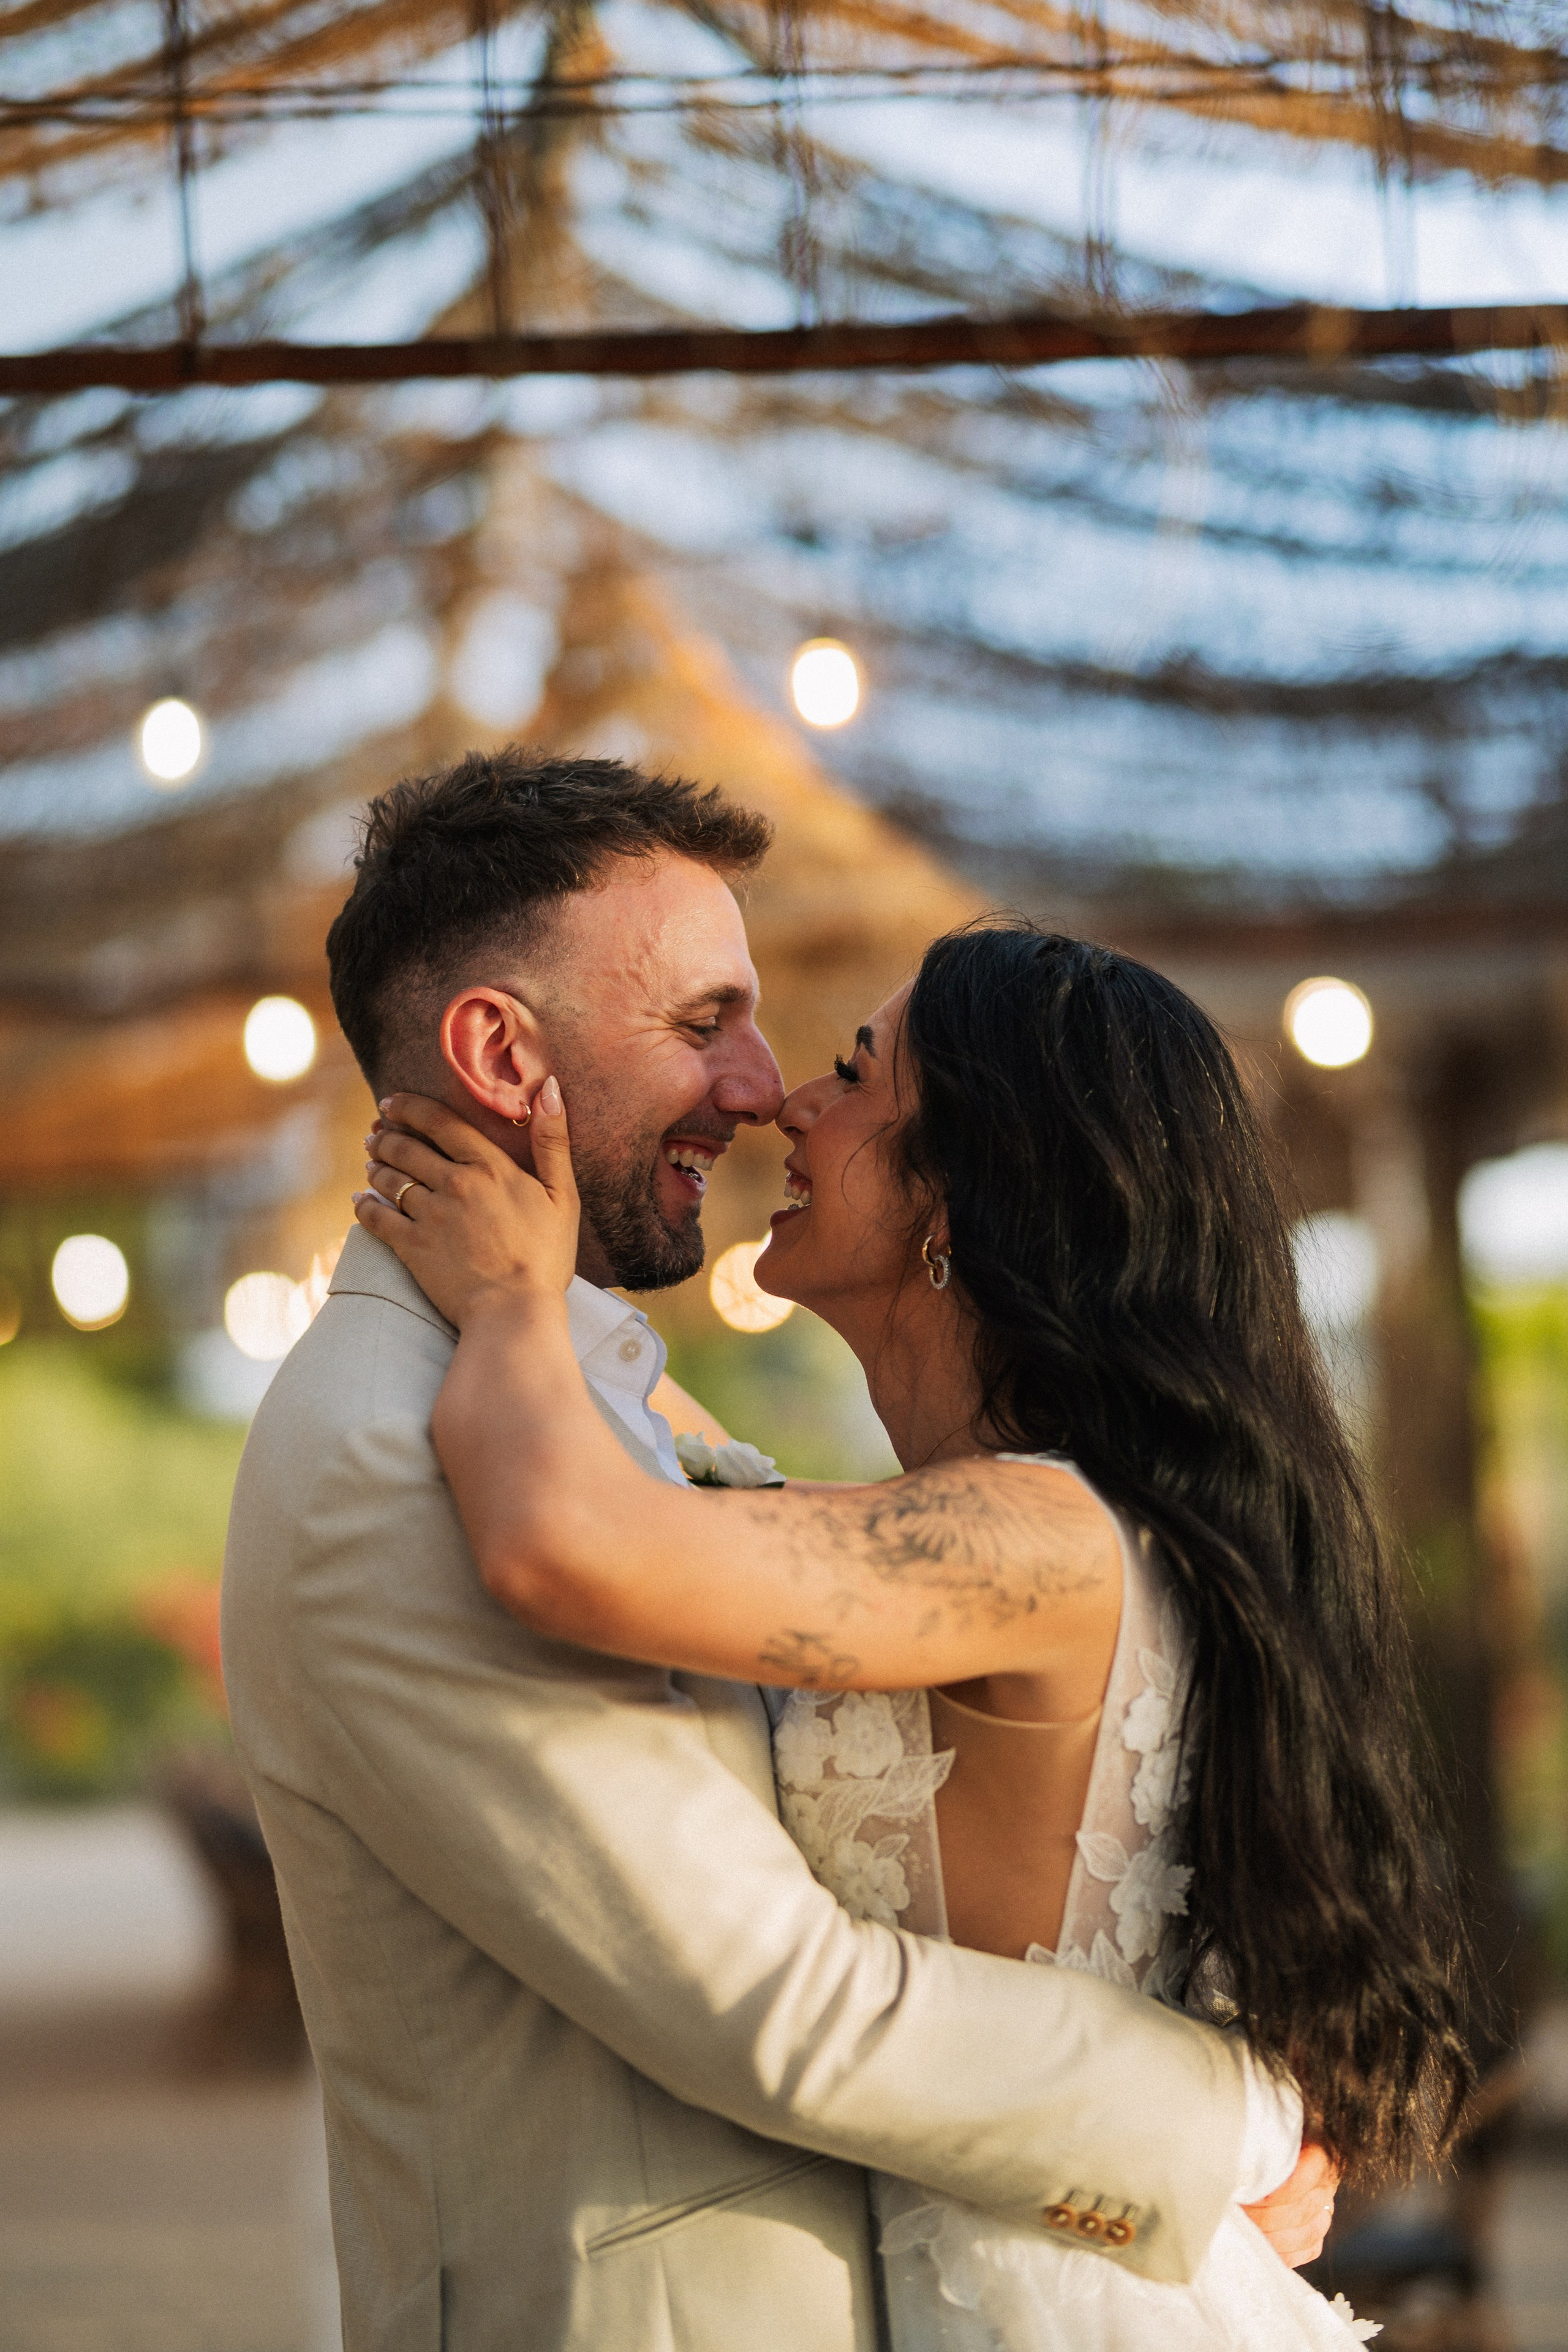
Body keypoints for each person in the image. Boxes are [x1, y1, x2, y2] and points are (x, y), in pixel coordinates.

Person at [222, 753, 1330, 2352]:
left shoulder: (541, 1402)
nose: (762, 1089)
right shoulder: (390, 1463)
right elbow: (776, 2001)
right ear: (498, 1051)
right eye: (701, 1023)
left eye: (819, 1057)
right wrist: (1224, 2125)